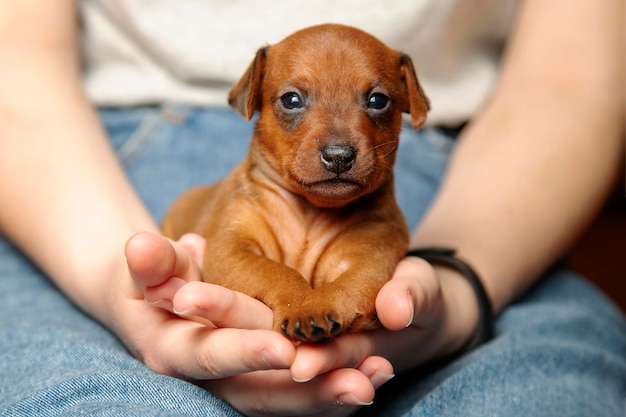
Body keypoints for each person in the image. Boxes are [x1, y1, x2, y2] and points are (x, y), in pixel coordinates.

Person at [0, 1, 624, 416]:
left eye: (377, 102)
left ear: (409, 100)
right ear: (255, 100)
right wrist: (297, 302)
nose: (337, 142)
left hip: (483, 198)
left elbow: (567, 81)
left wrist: (464, 294)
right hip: (78, 188)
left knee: (554, 396)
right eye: (294, 100)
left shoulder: (385, 217)